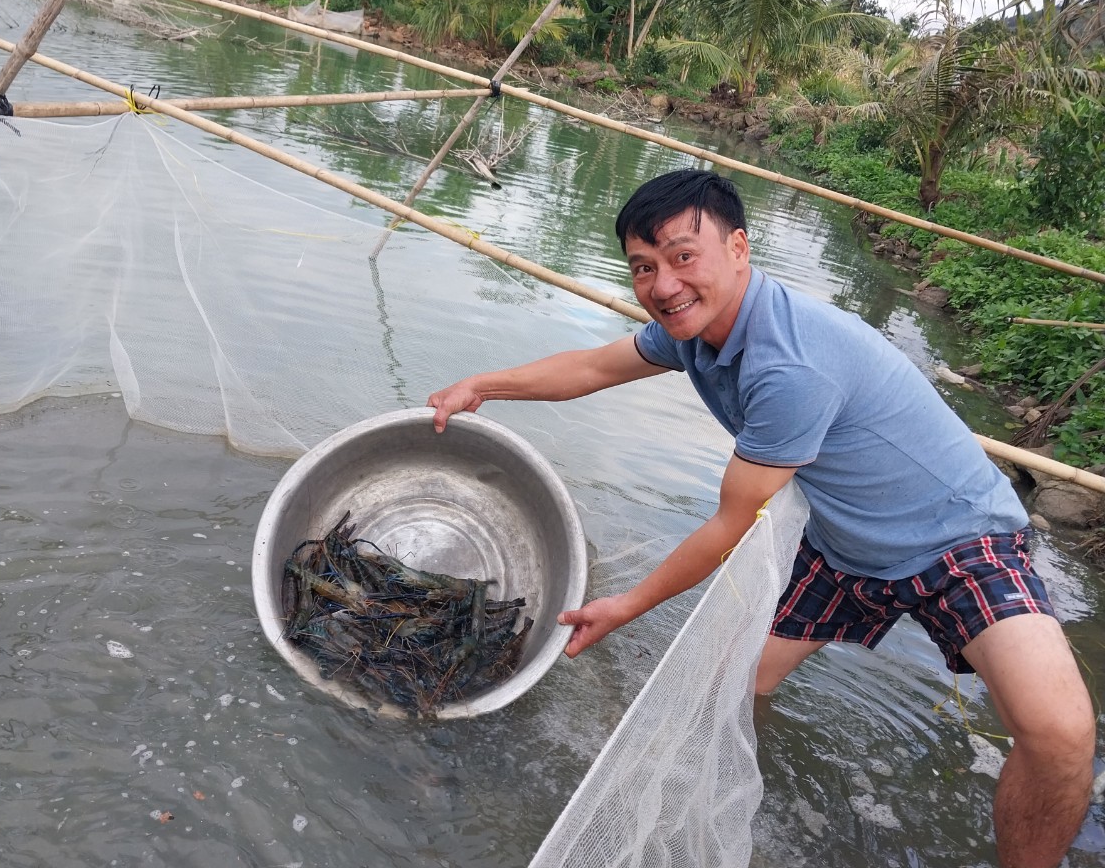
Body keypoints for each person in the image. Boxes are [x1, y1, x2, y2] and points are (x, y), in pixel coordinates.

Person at [426, 169, 1095, 868]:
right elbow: (593, 368)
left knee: (1059, 732)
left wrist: (623, 606)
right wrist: (484, 385)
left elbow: (733, 524)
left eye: (685, 256)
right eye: (644, 267)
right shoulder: (691, 329)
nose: (663, 285)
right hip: (843, 544)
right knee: (734, 684)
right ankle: (745, 795)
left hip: (956, 540)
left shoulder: (790, 366)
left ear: (738, 247)